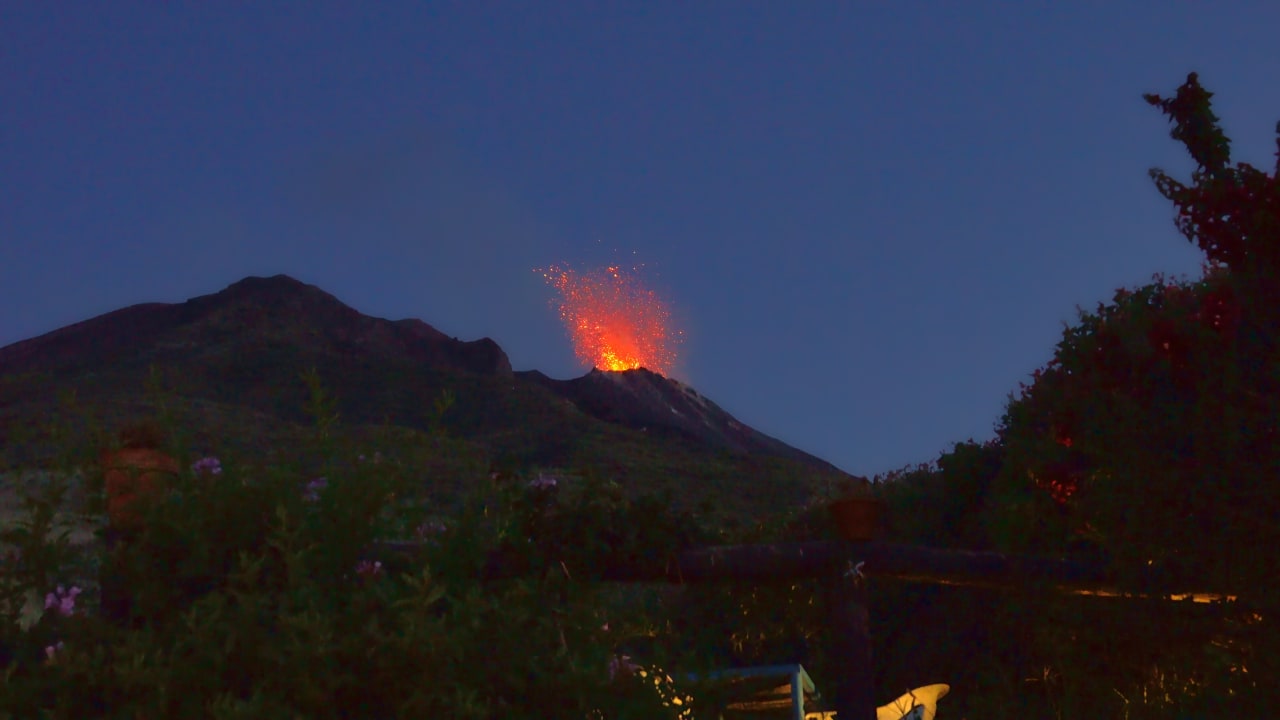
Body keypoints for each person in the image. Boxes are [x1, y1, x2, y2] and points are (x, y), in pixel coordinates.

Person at [97, 420, 179, 626]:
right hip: (150, 532)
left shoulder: (113, 462)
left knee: (113, 595)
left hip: (119, 531)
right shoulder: (165, 465)